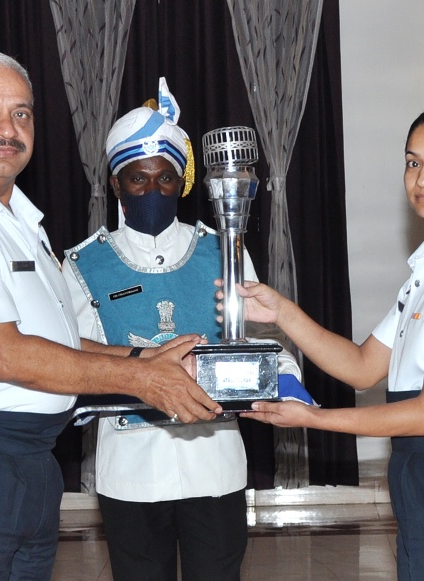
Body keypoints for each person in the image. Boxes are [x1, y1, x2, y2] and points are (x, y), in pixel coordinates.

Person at [0, 51, 221, 581]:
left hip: (25, 460)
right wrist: (140, 378)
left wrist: (142, 355)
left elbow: (51, 340)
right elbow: (3, 353)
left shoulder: (13, 217)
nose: (6, 130)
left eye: (21, 114)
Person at [231, 103, 424, 580]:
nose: (423, 178)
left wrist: (313, 419)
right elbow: (362, 365)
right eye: (413, 162)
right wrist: (281, 312)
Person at [62, 78, 301, 581]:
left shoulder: (224, 249)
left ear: (183, 182)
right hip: (129, 468)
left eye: (165, 179)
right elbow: (71, 363)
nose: (152, 190)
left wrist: (288, 385)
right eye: (137, 179)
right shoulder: (84, 264)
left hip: (214, 462)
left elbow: (265, 342)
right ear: (115, 184)